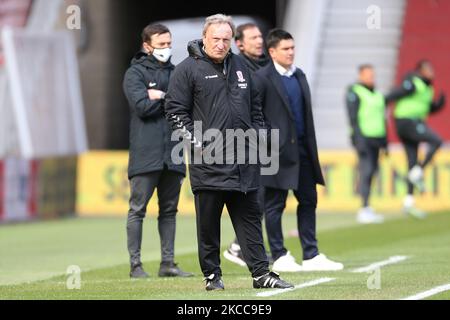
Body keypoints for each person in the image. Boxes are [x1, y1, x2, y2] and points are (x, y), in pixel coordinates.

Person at [165, 14, 293, 291]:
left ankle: (261, 274)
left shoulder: (241, 66)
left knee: (250, 222)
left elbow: (255, 108)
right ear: (204, 37)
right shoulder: (186, 70)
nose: (221, 45)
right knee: (208, 226)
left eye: (225, 40)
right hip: (208, 164)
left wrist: (259, 138)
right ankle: (212, 276)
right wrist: (199, 144)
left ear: (231, 41)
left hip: (245, 163)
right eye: (215, 39)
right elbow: (175, 112)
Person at [255, 29, 344, 272]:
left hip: (303, 151)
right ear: (272, 51)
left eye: (292, 48)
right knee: (275, 205)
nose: (291, 52)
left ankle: (311, 254)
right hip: (275, 153)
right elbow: (255, 115)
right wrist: (269, 142)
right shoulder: (262, 78)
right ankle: (279, 254)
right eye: (285, 49)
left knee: (308, 201)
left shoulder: (299, 75)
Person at [123, 24, 193, 279]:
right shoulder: (135, 73)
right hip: (146, 153)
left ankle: (168, 263)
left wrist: (159, 97)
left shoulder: (178, 73)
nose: (166, 48)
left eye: (168, 43)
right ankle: (135, 265)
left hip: (173, 154)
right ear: (147, 46)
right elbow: (141, 107)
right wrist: (168, 100)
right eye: (161, 44)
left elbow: (184, 110)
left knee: (169, 210)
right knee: (138, 208)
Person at [223, 22, 271, 268]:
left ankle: (245, 246)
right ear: (239, 44)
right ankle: (240, 247)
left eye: (260, 36)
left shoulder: (264, 66)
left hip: (264, 139)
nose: (259, 40)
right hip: (247, 142)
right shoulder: (238, 68)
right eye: (253, 37)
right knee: (255, 196)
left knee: (266, 196)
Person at [387, 60, 446, 219]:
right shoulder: (413, 83)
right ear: (420, 71)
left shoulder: (427, 88)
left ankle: (408, 203)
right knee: (437, 141)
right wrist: (384, 104)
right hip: (406, 122)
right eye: (428, 69)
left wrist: (437, 106)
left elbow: (425, 108)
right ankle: (419, 170)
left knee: (412, 161)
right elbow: (393, 95)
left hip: (414, 122)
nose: (431, 72)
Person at [346, 65, 387, 224]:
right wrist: (357, 138)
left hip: (377, 137)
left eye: (373, 75)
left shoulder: (377, 93)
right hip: (364, 138)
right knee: (366, 170)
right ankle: (363, 208)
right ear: (360, 75)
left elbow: (381, 118)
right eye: (368, 75)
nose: (371, 77)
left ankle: (367, 207)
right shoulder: (354, 91)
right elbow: (352, 117)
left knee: (373, 171)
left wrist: (385, 142)